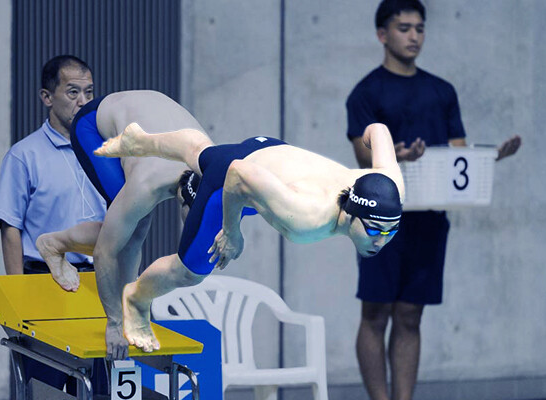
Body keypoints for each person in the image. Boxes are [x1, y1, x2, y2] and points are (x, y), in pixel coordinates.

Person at [94, 121, 405, 353]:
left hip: (269, 152)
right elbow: (238, 173)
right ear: (350, 213)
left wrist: (369, 133)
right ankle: (136, 299)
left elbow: (379, 131)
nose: (381, 240)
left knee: (201, 153)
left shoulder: (390, 189)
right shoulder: (305, 215)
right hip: (235, 178)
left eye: (391, 230)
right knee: (189, 272)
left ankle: (142, 141)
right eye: (374, 230)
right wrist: (231, 232)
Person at [344, 2, 522, 399]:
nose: (414, 36)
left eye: (420, 29)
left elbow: (458, 154)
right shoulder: (367, 91)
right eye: (404, 28)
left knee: (410, 314)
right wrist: (396, 156)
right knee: (375, 313)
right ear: (382, 35)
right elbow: (361, 152)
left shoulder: (441, 90)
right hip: (379, 215)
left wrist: (490, 156)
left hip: (429, 218)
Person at [34, 90, 207, 360]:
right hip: (93, 124)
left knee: (133, 230)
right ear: (184, 203)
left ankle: (130, 311)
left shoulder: (217, 170)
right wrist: (114, 324)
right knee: (125, 235)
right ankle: (53, 244)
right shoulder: (146, 185)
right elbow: (105, 254)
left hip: (145, 112)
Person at [0, 55, 108, 395]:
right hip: (43, 284)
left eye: (88, 92)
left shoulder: (105, 152)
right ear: (47, 97)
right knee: (46, 388)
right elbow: (9, 227)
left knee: (99, 388)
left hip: (96, 285)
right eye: (72, 92)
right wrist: (17, 302)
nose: (83, 102)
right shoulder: (23, 155)